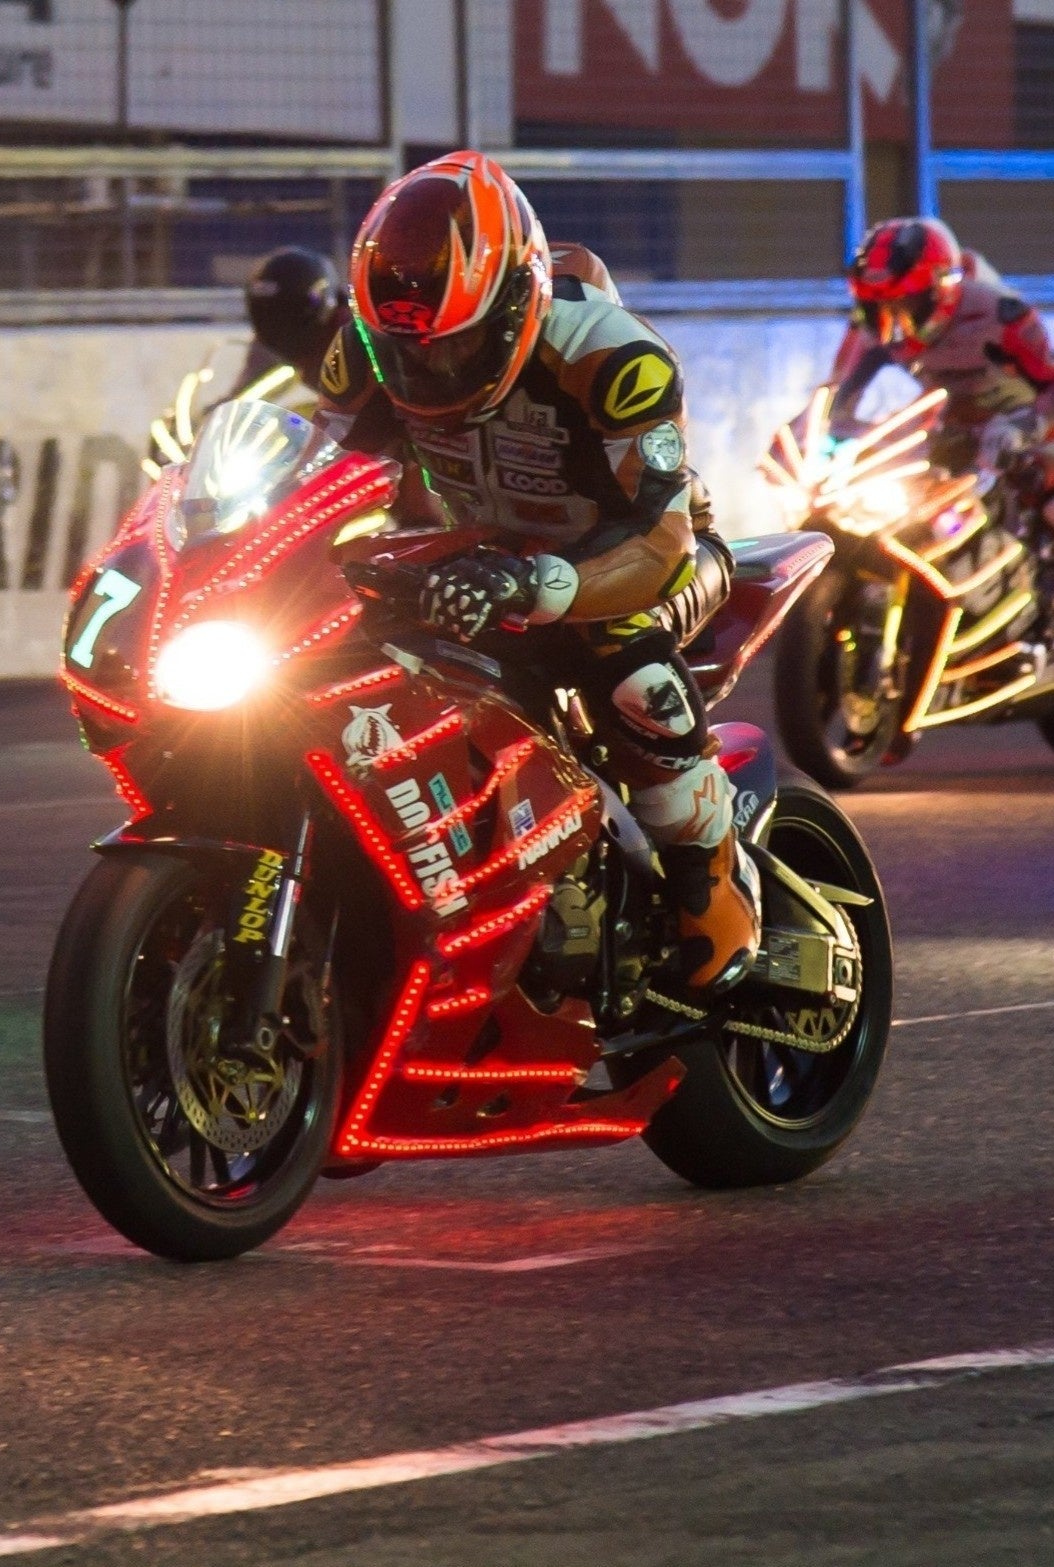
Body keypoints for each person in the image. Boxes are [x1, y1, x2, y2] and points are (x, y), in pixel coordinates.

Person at [316, 151, 760, 995]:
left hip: (636, 558)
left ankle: (710, 881)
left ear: (518, 303)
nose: (432, 370)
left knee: (629, 674)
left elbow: (661, 540)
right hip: (481, 558)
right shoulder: (370, 352)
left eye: (459, 344)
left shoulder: (614, 360)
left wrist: (537, 584)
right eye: (410, 352)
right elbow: (318, 478)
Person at [829, 216, 1054, 486]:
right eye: (878, 310)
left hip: (1026, 436)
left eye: (906, 307)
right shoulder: (869, 333)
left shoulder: (1001, 317)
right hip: (950, 432)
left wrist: (1022, 426)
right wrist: (821, 441)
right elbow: (836, 400)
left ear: (943, 288)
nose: (895, 327)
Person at [235, 247, 347, 408]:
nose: (276, 322)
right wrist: (217, 413)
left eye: (286, 310)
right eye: (266, 312)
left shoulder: (351, 337)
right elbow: (245, 394)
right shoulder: (269, 342)